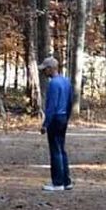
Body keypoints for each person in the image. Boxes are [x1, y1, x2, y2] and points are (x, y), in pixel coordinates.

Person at [39, 55, 73, 190]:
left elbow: (51, 107)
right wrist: (67, 117)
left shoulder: (53, 84)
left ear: (50, 69)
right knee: (62, 149)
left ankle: (57, 182)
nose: (43, 72)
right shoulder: (66, 81)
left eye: (45, 69)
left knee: (55, 150)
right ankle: (66, 181)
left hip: (55, 119)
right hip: (63, 117)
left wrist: (45, 124)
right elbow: (70, 102)